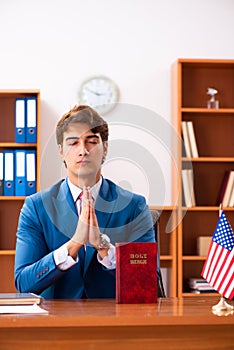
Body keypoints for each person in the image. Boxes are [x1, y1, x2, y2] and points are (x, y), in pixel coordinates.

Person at [14, 105, 155, 299]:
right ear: (61, 151)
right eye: (73, 143)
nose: (83, 151)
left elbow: (147, 282)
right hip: (55, 324)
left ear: (105, 148)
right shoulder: (36, 207)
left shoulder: (134, 207)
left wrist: (103, 247)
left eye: (91, 141)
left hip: (115, 322)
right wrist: (73, 245)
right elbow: (23, 282)